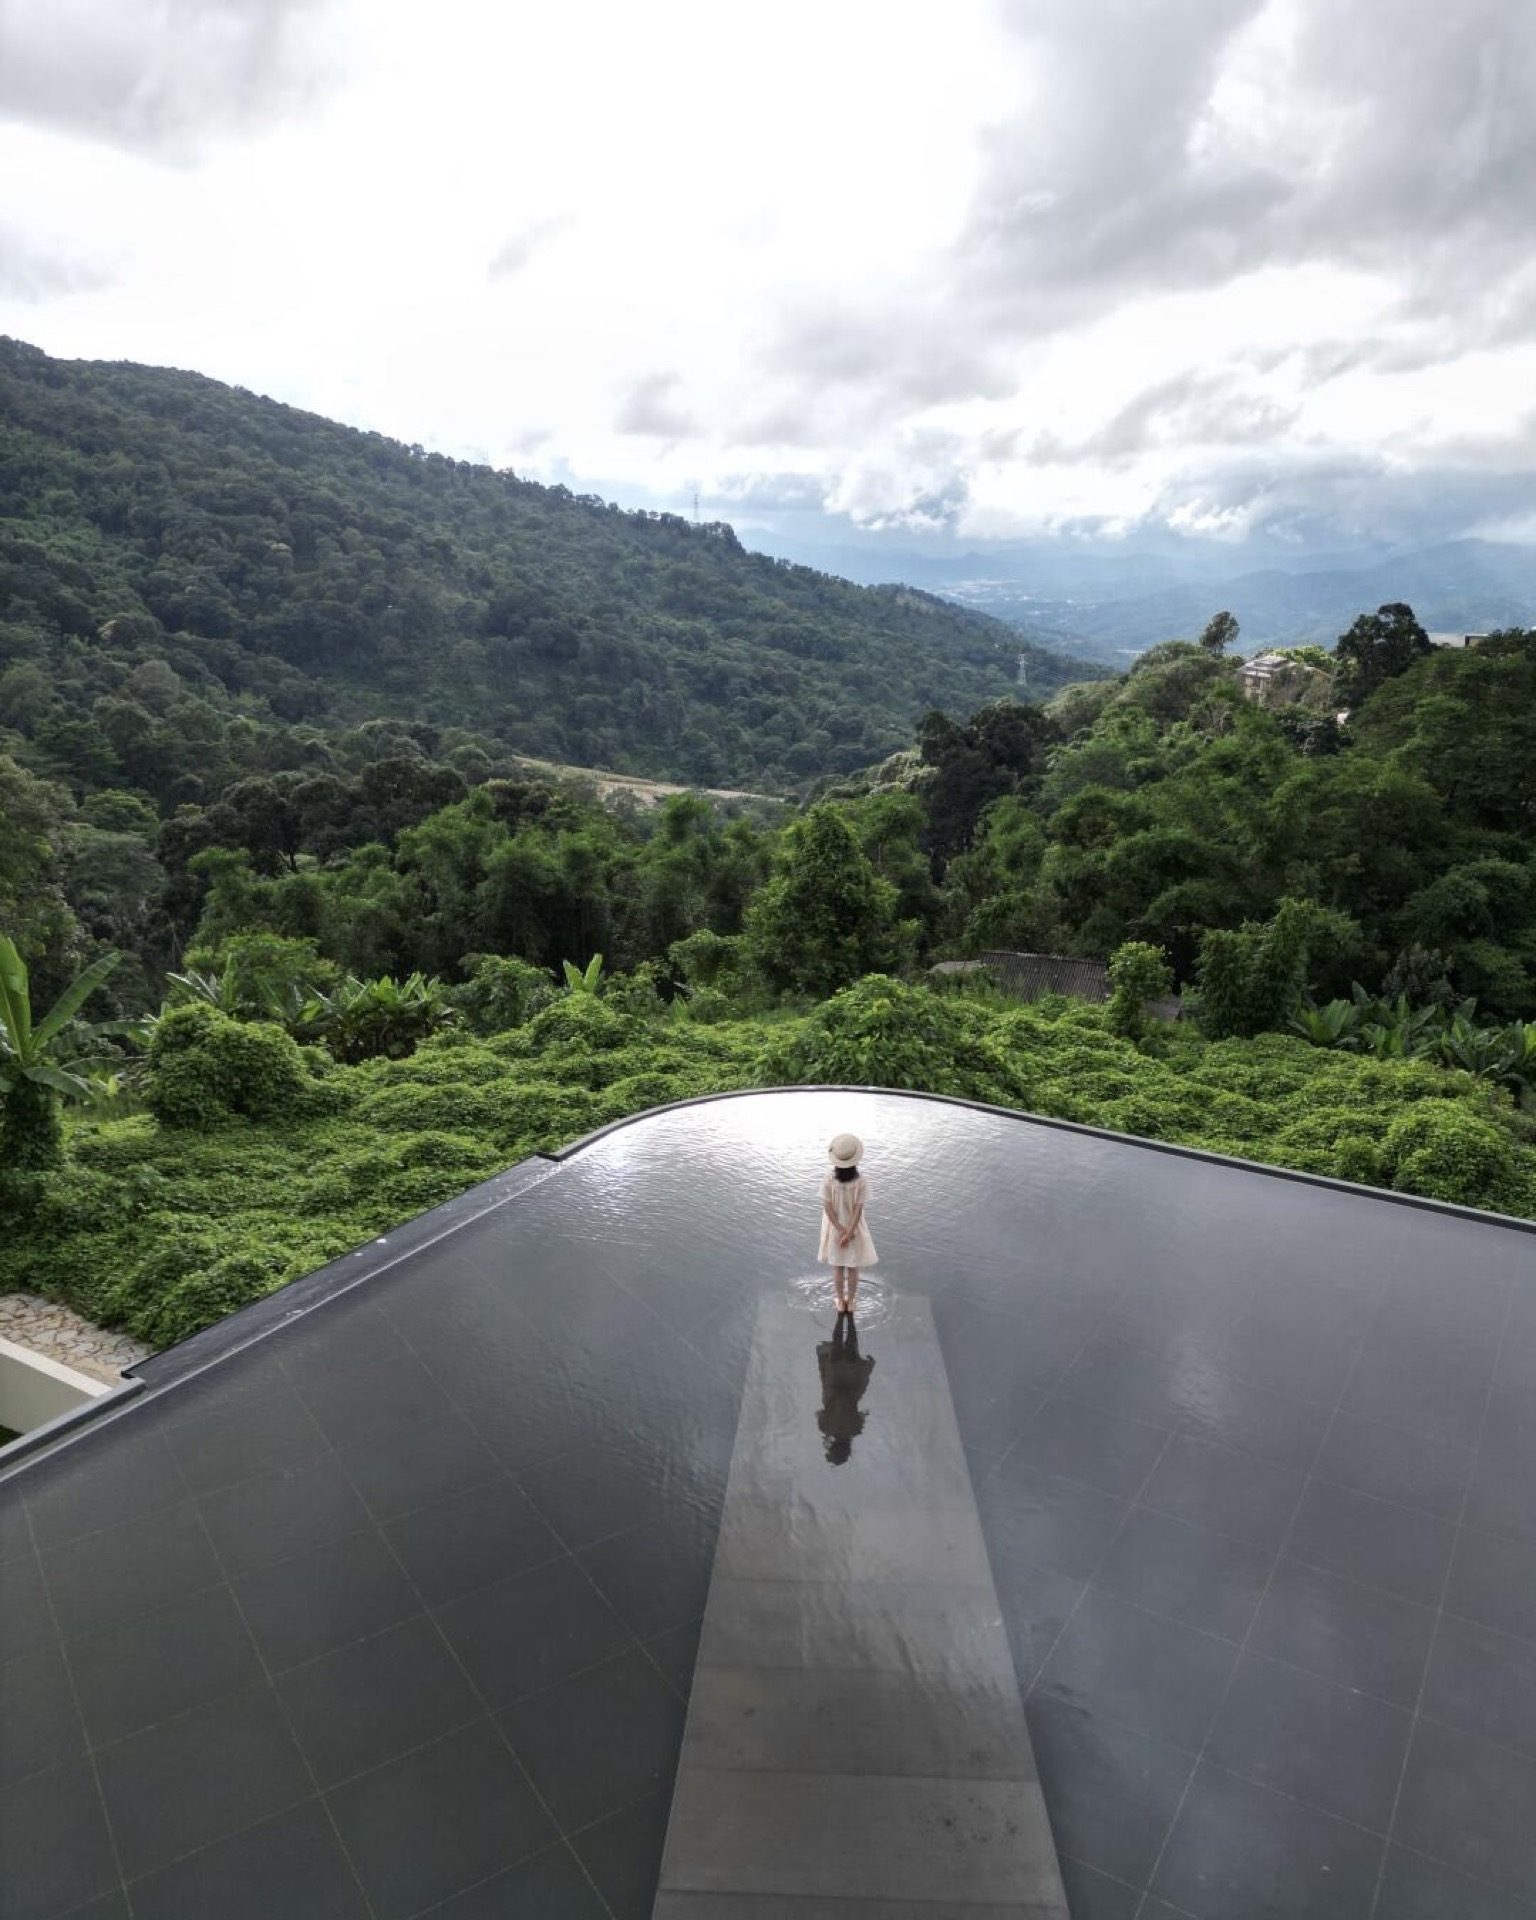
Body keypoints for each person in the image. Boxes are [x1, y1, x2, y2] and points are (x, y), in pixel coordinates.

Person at [818, 1131, 877, 1316]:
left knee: (837, 1267)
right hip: (854, 1228)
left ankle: (840, 1302)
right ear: (855, 1159)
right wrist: (849, 1232)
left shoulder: (829, 1179)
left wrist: (840, 1230)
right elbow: (858, 1210)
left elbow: (827, 1207)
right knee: (852, 1267)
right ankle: (850, 1302)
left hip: (834, 1228)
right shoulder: (861, 1181)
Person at [816, 1312, 875, 1465]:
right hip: (834, 1384)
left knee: (851, 1345)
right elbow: (819, 1413)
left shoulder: (855, 1429)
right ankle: (841, 1315)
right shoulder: (825, 1427)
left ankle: (849, 1317)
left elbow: (861, 1414)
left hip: (852, 1385)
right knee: (837, 1345)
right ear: (832, 1447)